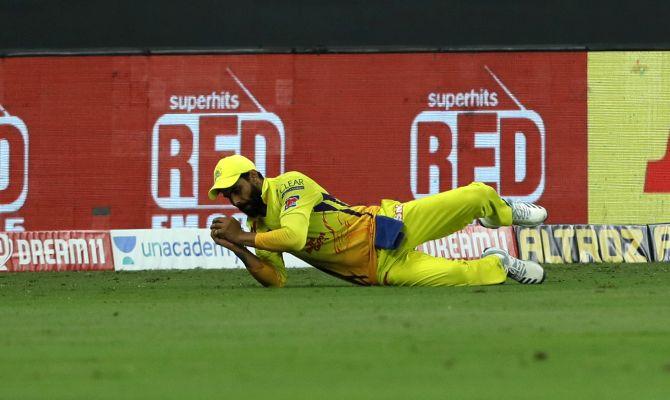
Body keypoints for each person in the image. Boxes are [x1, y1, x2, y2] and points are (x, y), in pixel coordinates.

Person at [208, 155, 547, 288]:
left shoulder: (289, 185)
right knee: (460, 277)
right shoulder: (256, 229)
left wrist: (244, 238)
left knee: (473, 197)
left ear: (254, 176)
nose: (236, 200)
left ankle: (501, 214)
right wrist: (239, 247)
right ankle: (500, 264)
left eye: (237, 189)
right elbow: (276, 280)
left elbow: (295, 238)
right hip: (378, 270)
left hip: (386, 224)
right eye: (228, 197)